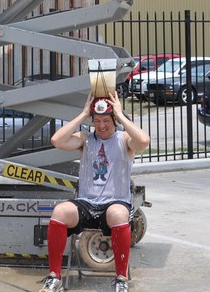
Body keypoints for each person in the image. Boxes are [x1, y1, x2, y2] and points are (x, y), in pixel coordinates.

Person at [39, 91, 150, 292]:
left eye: (105, 120)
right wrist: (83, 114)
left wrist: (121, 115)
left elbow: (143, 141)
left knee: (117, 213)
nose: (101, 125)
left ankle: (120, 279)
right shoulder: (85, 139)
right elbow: (57, 140)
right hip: (86, 203)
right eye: (97, 120)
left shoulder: (124, 139)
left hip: (115, 202)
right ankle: (54, 276)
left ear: (113, 120)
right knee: (60, 212)